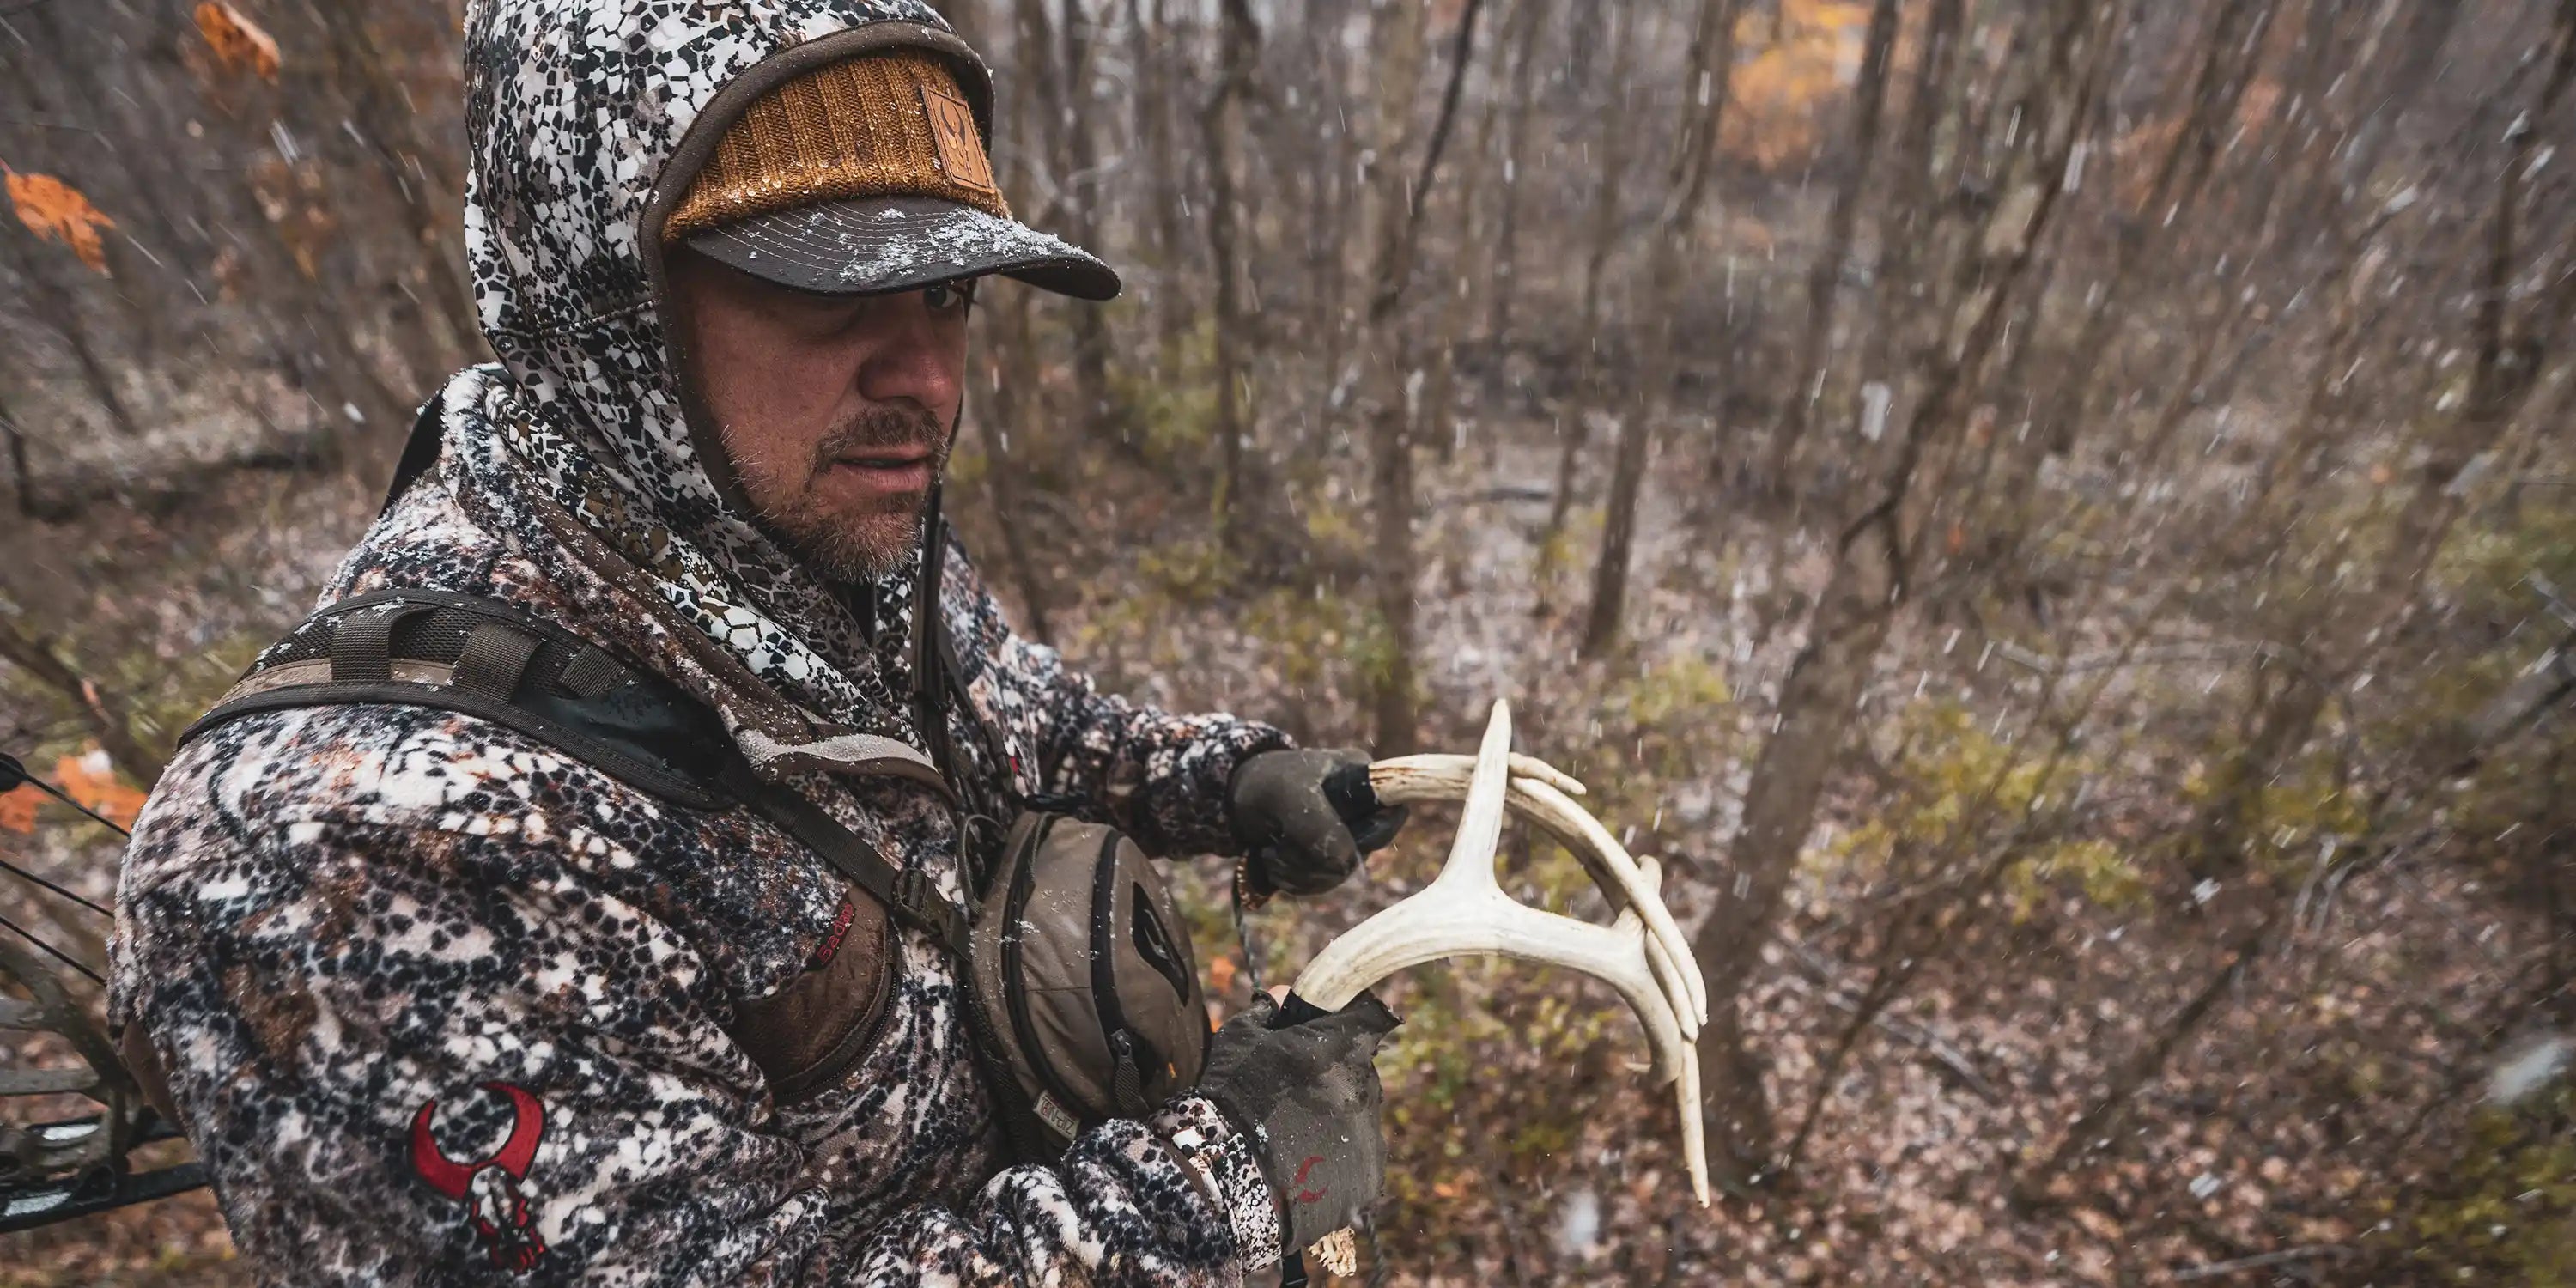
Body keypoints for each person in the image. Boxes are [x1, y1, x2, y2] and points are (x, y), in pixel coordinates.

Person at [109, 3, 1406, 1283]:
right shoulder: (347, 854)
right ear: (611, 300)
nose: (928, 381)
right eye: (836, 289)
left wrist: (1222, 780)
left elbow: (1002, 717)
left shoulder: (798, 521)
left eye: (947, 290)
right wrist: (1214, 1183)